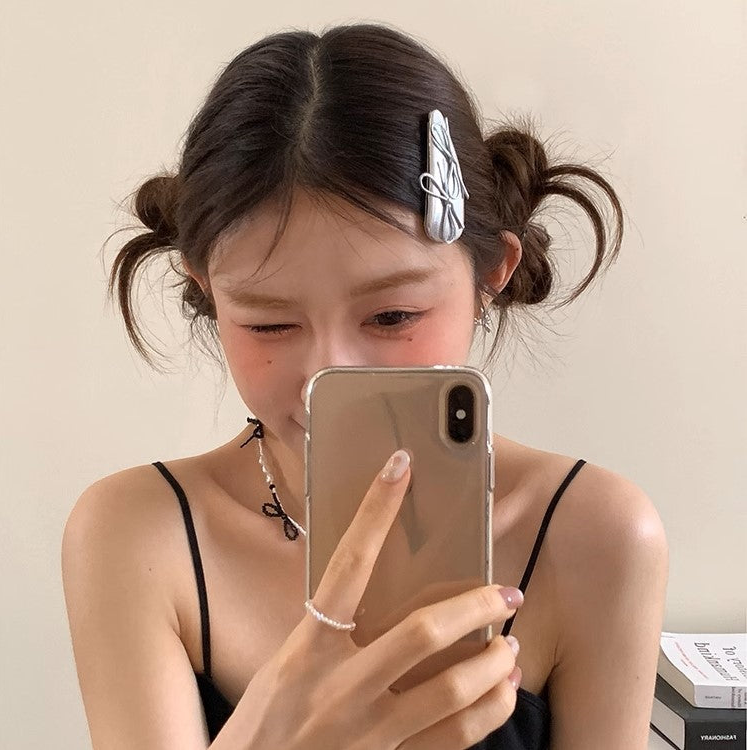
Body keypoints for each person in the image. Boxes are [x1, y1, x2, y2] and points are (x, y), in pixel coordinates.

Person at [61, 22, 669, 750]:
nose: (328, 372)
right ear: (208, 293)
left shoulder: (595, 535)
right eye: (270, 324)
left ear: (491, 276)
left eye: (392, 316)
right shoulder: (135, 535)